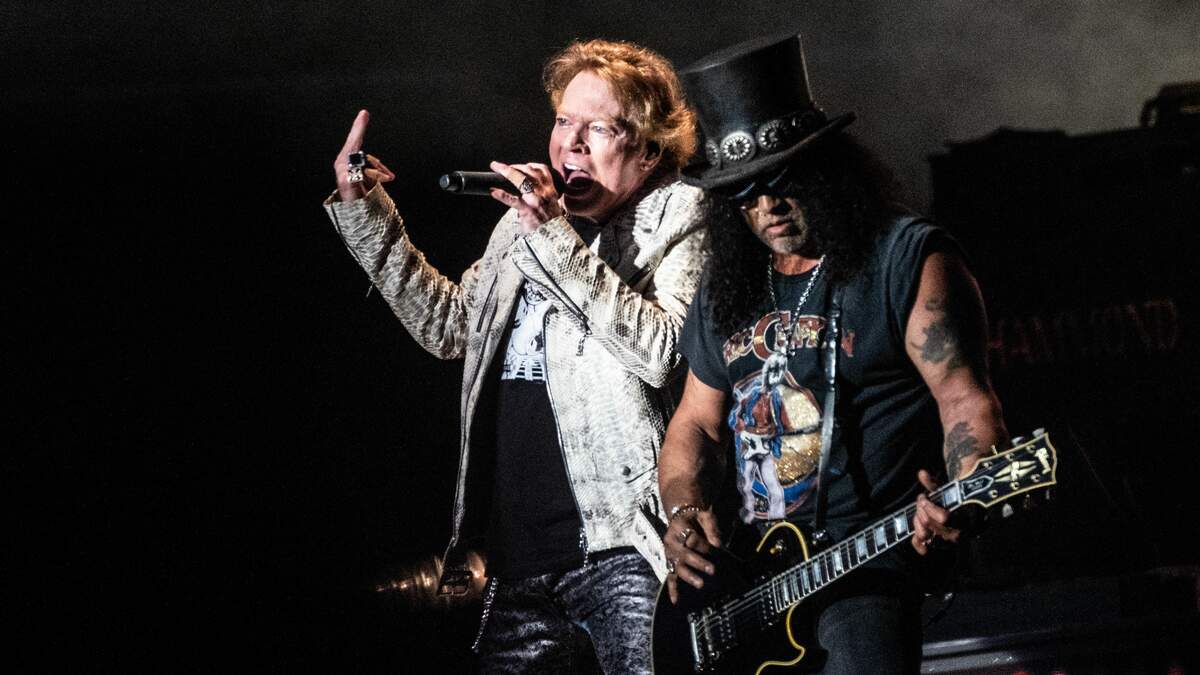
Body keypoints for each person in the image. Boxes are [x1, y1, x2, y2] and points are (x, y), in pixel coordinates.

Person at [324, 39, 706, 673]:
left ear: (648, 150)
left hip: (623, 550)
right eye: (563, 121)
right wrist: (365, 212)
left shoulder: (681, 213)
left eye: (599, 128)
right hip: (519, 560)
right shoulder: (518, 226)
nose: (570, 144)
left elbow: (661, 352)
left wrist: (553, 235)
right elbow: (450, 327)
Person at [656, 34, 1008, 673]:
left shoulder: (905, 258)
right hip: (750, 584)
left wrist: (966, 487)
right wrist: (683, 510)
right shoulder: (725, 289)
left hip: (866, 564)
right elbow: (694, 425)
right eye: (745, 190)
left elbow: (965, 400)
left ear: (826, 168)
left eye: (783, 180)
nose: (767, 206)